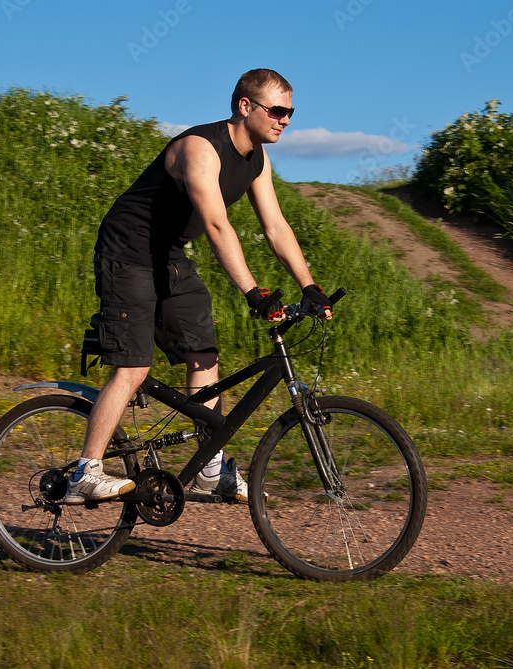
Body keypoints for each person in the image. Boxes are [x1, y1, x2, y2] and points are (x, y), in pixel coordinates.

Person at [63, 68, 332, 505]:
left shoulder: (257, 160)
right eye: (277, 110)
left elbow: (276, 227)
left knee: (203, 354)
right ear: (245, 107)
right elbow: (215, 224)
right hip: (126, 252)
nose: (285, 119)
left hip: (167, 254)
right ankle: (85, 471)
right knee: (134, 368)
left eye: (290, 111)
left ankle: (209, 470)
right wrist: (253, 291)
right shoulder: (200, 148)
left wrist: (310, 286)